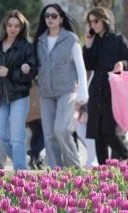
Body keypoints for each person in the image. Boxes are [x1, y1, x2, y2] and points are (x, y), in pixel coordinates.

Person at [33, 4, 88, 170]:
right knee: (49, 135)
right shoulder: (40, 40)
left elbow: (80, 66)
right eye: (47, 16)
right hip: (46, 92)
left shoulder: (71, 39)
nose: (50, 19)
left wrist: (83, 91)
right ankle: (56, 171)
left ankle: (74, 168)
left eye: (54, 16)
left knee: (62, 130)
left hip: (67, 90)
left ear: (61, 18)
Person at [0, 10, 37, 171]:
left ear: (21, 28)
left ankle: (20, 172)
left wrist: (12, 72)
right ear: (5, 26)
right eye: (10, 25)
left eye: (17, 26)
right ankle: (21, 159)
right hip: (0, 95)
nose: (13, 29)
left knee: (17, 136)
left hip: (19, 95)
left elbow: (32, 73)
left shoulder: (26, 47)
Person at [83, 7, 128, 165]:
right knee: (97, 132)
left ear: (105, 20)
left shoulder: (117, 39)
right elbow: (88, 64)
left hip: (113, 89)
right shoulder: (93, 41)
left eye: (96, 21)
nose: (93, 25)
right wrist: (87, 45)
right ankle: (104, 170)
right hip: (96, 89)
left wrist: (121, 63)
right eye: (90, 21)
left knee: (109, 130)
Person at [27, 81, 45, 170]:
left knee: (37, 133)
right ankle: (34, 155)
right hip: (38, 97)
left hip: (31, 97)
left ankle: (36, 159)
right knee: (46, 133)